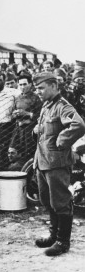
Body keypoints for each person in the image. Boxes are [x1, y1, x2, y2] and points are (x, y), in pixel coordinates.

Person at [33, 72, 85, 256]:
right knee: (47, 199)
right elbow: (47, 129)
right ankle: (53, 235)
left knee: (61, 202)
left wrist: (62, 142)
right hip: (43, 161)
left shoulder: (63, 106)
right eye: (36, 88)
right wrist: (37, 129)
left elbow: (78, 125)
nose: (37, 91)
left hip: (56, 163)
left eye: (41, 88)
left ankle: (63, 242)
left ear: (54, 86)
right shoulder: (47, 105)